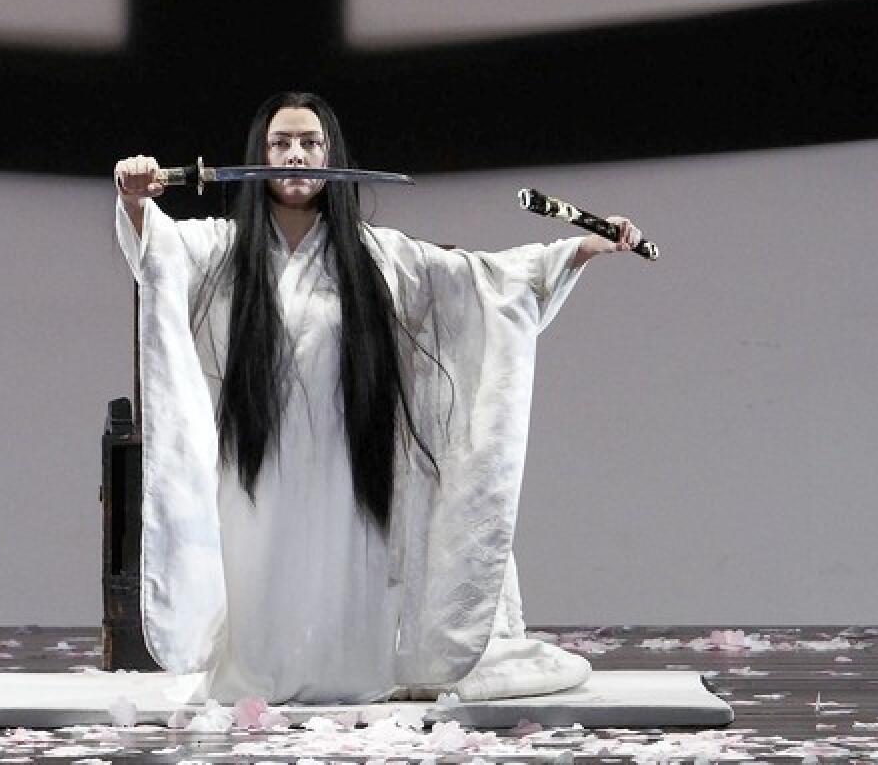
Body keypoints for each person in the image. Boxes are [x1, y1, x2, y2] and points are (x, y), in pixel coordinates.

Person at [114, 92, 643, 705]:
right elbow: (159, 255)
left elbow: (481, 283)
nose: (296, 155)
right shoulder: (221, 248)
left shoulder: (377, 254)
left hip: (347, 456)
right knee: (259, 576)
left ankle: (348, 671)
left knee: (346, 572)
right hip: (258, 460)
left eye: (311, 143)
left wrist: (576, 250)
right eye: (281, 143)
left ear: (332, 156)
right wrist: (134, 199)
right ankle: (263, 676)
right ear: (259, 155)